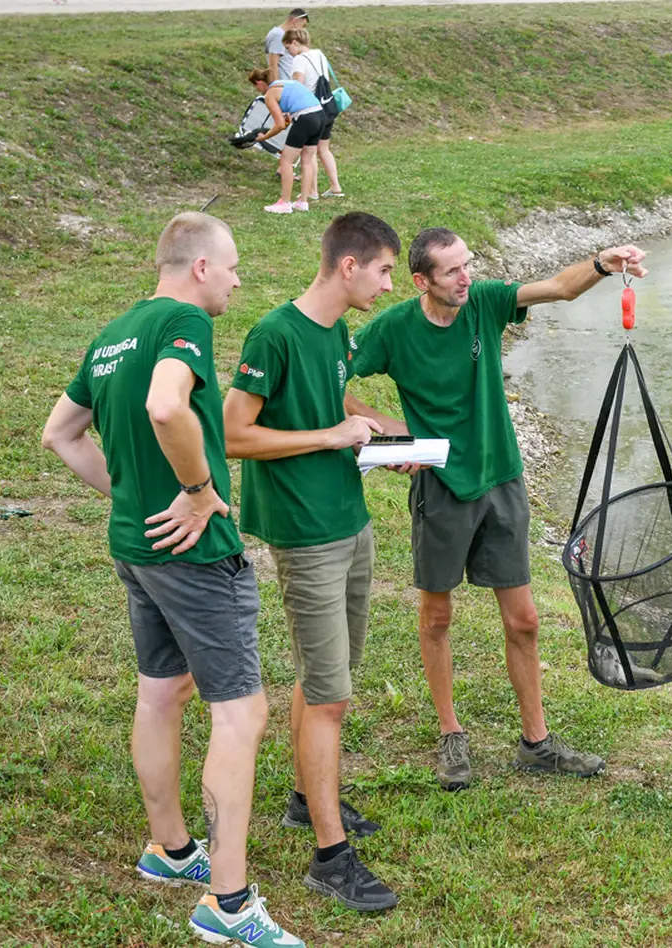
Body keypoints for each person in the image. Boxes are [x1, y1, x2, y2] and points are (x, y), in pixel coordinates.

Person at [41, 213, 302, 948]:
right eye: (232, 265)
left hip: (137, 547)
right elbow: (165, 404)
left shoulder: (113, 332)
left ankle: (170, 850)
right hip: (192, 555)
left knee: (162, 692)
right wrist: (194, 488)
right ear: (198, 268)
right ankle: (228, 905)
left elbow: (59, 433)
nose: (238, 278)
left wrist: (128, 496)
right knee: (240, 715)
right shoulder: (184, 322)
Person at [346, 229, 646, 790]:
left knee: (525, 619)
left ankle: (536, 742)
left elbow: (558, 288)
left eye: (469, 265)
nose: (466, 278)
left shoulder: (483, 301)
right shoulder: (392, 330)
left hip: (502, 480)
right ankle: (450, 733)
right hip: (441, 487)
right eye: (453, 271)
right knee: (437, 616)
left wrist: (603, 265)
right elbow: (329, 373)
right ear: (421, 282)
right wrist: (383, 426)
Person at [223, 212, 405, 914]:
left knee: (328, 679)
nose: (388, 283)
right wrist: (332, 433)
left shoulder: (335, 333)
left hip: (349, 518)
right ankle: (330, 859)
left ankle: (305, 797)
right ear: (348, 266)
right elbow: (236, 433)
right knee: (329, 694)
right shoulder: (275, 333)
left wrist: (384, 433)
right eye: (385, 270)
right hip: (304, 532)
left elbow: (332, 400)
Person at [246, 68, 323, 214]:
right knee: (307, 161)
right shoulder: (285, 83)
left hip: (305, 118)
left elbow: (280, 124)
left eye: (255, 86)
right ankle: (303, 202)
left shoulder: (270, 94)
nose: (257, 90)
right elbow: (296, 102)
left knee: (285, 161)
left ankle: (285, 203)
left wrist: (264, 137)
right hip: (319, 115)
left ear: (259, 82)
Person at [286, 28, 345, 200]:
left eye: (288, 47)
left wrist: (290, 109)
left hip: (311, 110)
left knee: (309, 150)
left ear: (295, 43)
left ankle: (312, 190)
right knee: (324, 149)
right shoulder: (319, 54)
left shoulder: (299, 60)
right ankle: (335, 186)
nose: (288, 53)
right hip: (328, 107)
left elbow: (298, 86)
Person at [265, 7, 308, 83]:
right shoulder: (278, 35)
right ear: (295, 21)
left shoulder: (282, 35)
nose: (302, 30)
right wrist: (277, 87)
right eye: (303, 26)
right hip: (284, 85)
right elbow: (273, 65)